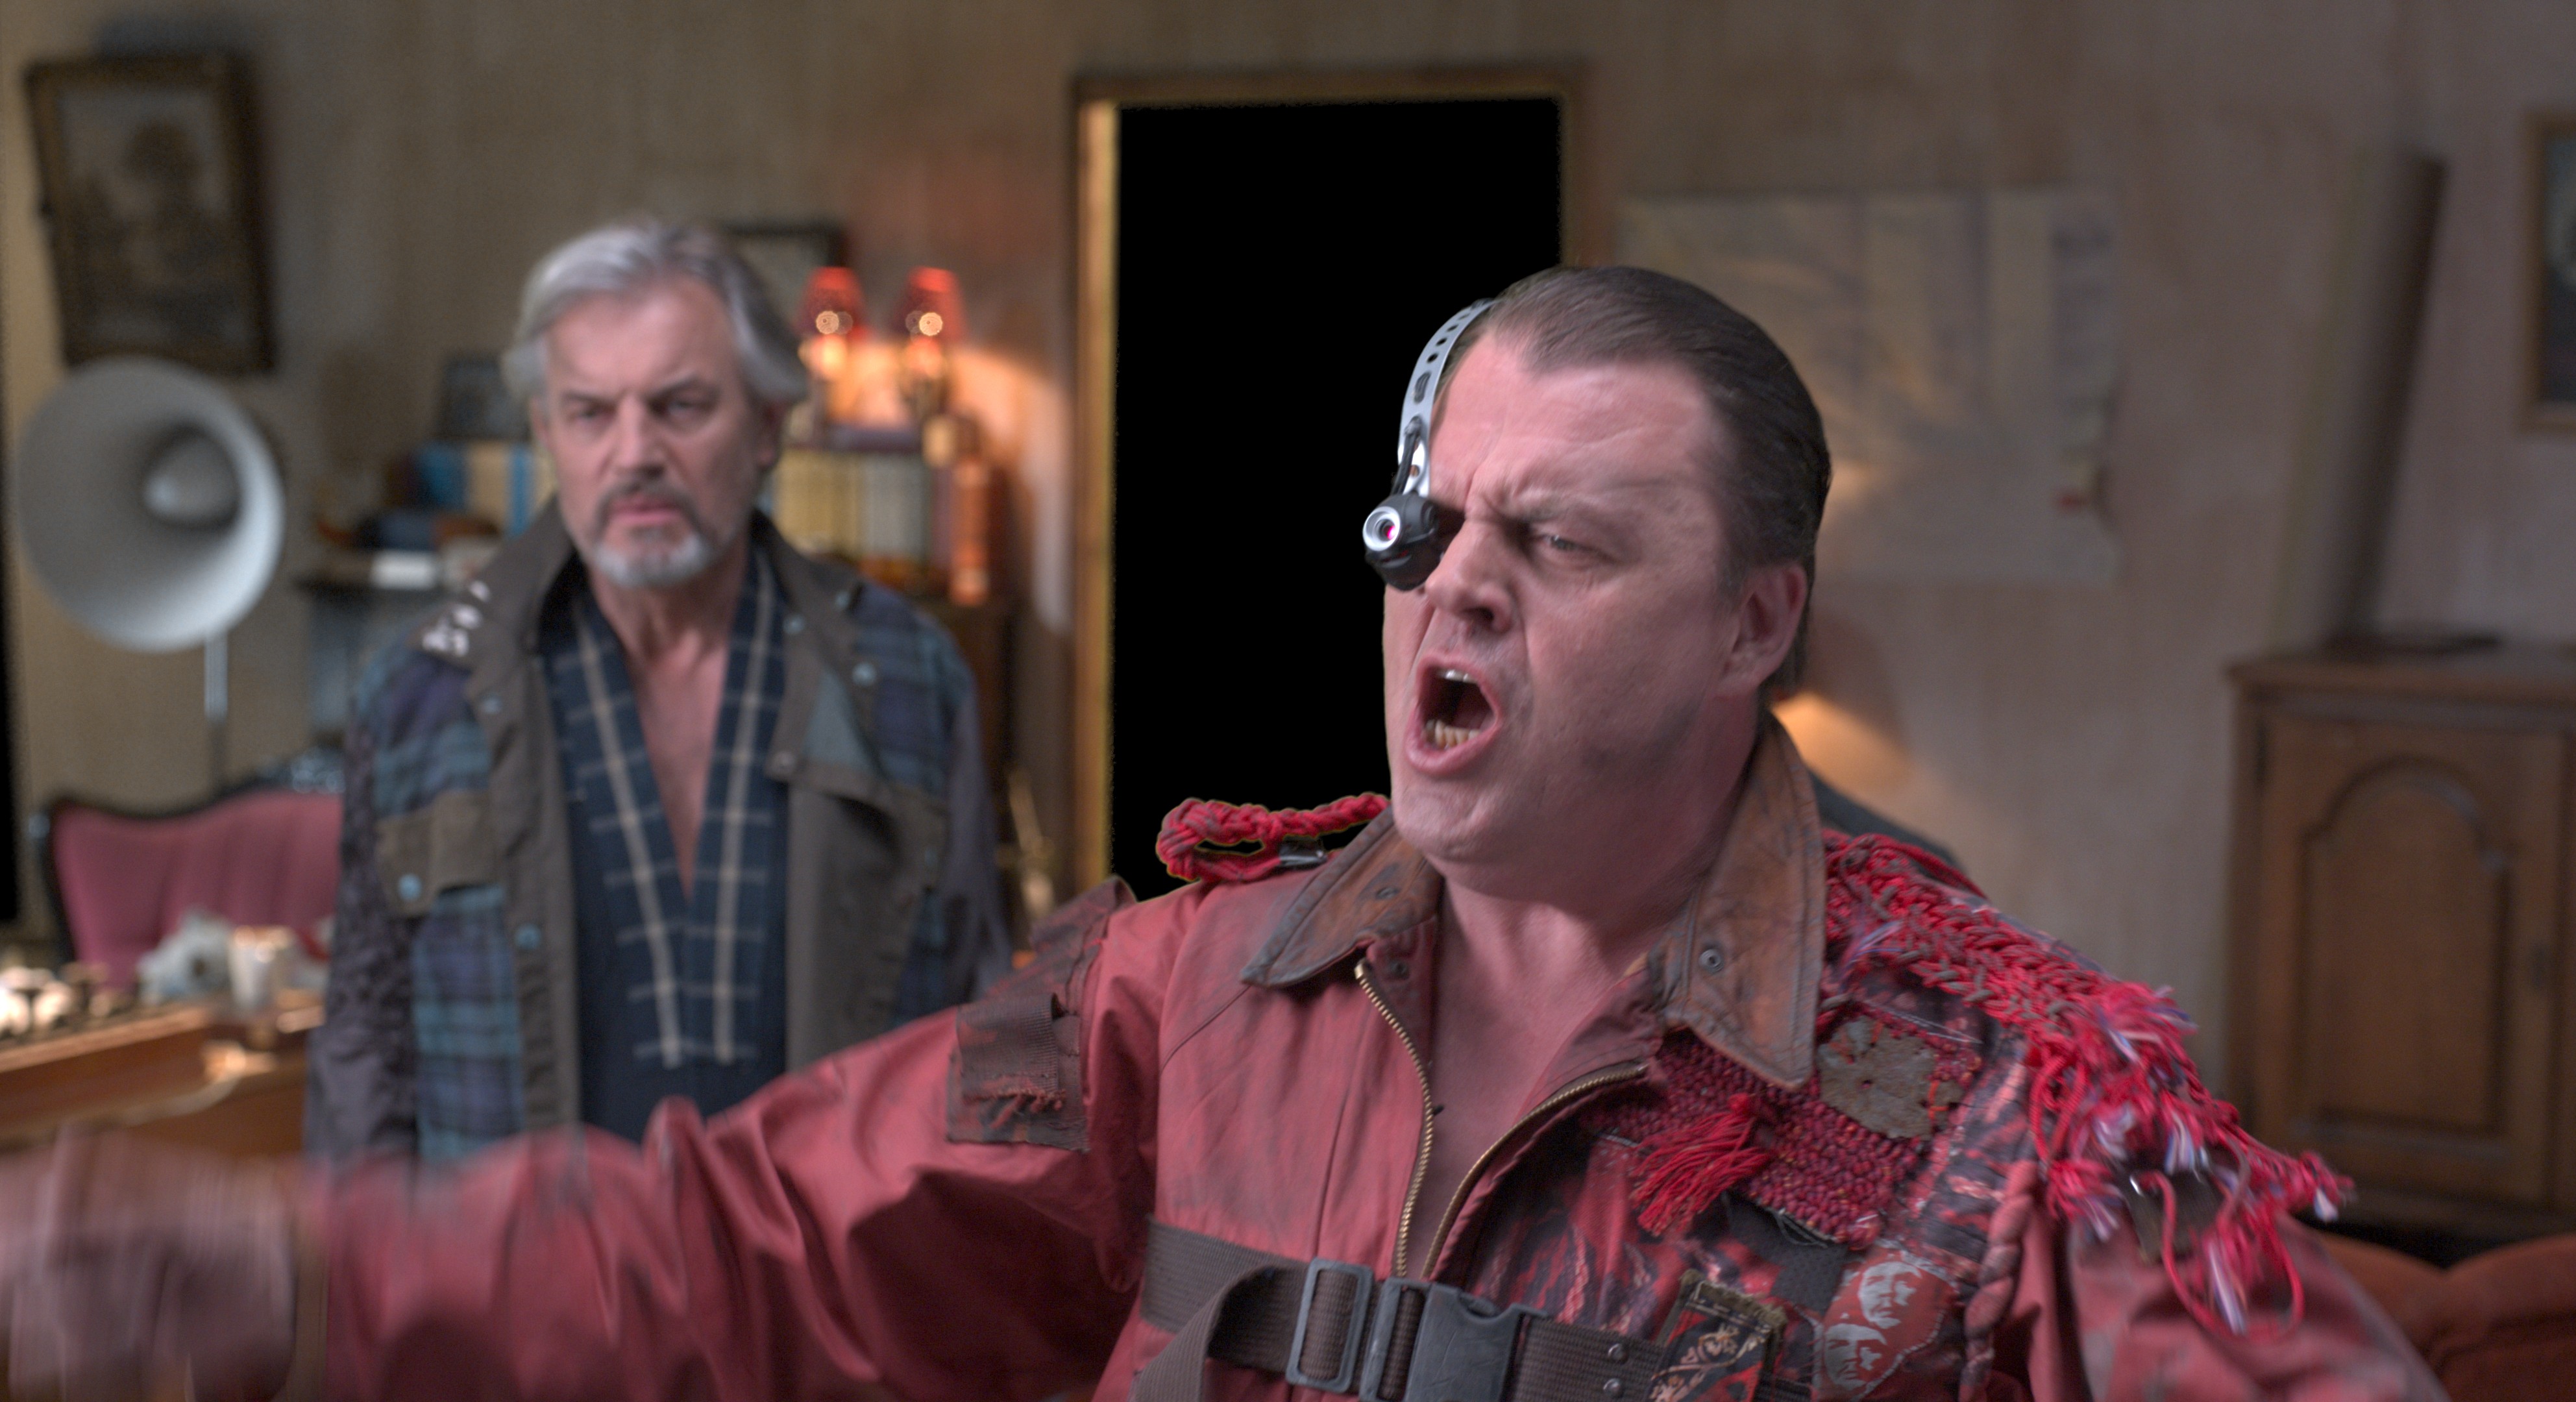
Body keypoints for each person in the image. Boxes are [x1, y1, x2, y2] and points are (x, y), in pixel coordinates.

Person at [0, 267, 2436, 1402]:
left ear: (1751, 625)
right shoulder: (1172, 979)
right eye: (1426, 529)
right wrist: (297, 1277)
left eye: (1560, 543)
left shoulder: (2017, 1100)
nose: (1453, 585)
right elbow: (749, 1235)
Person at [304, 220, 1012, 1161]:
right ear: (547, 433)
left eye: (680, 407)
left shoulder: (909, 677)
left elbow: (984, 1026)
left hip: (824, 1252)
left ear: (768, 425)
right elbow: (364, 1042)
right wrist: (369, 1249)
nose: (634, 452)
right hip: (524, 1256)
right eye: (591, 414)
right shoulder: (421, 695)